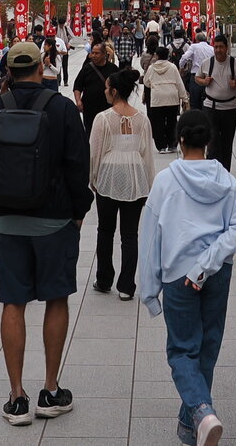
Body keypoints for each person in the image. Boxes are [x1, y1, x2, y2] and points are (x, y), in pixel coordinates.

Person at [0, 40, 91, 427]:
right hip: (54, 219)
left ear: (7, 71)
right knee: (56, 298)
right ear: (42, 68)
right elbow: (78, 165)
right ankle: (51, 390)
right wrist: (78, 212)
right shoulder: (61, 109)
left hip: (6, 220)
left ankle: (17, 396)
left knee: (13, 301)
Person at [137, 109, 236, 446]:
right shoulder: (226, 181)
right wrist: (210, 260)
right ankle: (191, 428)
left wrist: (149, 289)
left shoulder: (166, 181)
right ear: (210, 140)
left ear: (180, 139)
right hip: (216, 273)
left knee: (182, 351)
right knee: (207, 348)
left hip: (178, 274)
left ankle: (201, 412)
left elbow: (151, 237)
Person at [88, 68, 156, 302]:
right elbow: (147, 154)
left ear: (114, 91)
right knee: (130, 234)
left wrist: (93, 178)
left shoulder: (103, 118)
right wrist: (148, 182)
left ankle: (104, 279)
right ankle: (127, 285)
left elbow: (95, 152)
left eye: (107, 88)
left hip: (108, 173)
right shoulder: (142, 119)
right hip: (135, 174)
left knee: (105, 230)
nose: (105, 91)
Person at [195, 34, 236, 169]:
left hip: (229, 108)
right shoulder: (207, 63)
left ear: (227, 48)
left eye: (221, 47)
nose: (218, 50)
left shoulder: (235, 63)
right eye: (216, 47)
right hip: (210, 107)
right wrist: (205, 81)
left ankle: (225, 172)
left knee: (227, 142)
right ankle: (212, 171)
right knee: (212, 142)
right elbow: (197, 78)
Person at [142, 46, 187, 153]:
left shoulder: (151, 68)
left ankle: (161, 146)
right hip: (171, 97)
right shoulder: (172, 67)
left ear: (157, 56)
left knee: (158, 123)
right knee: (172, 121)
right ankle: (172, 144)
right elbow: (179, 83)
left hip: (157, 97)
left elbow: (146, 82)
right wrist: (184, 98)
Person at [72, 39, 112, 137]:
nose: (93, 55)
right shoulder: (87, 68)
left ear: (104, 54)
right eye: (92, 53)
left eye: (96, 53)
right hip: (89, 108)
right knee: (90, 133)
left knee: (106, 133)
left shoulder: (113, 69)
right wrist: (78, 101)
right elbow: (77, 86)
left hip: (107, 108)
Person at [179, 34, 214, 112]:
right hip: (209, 78)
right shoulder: (212, 48)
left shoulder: (194, 47)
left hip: (196, 77)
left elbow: (184, 57)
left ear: (197, 40)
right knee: (207, 103)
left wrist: (181, 67)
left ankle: (196, 120)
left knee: (195, 103)